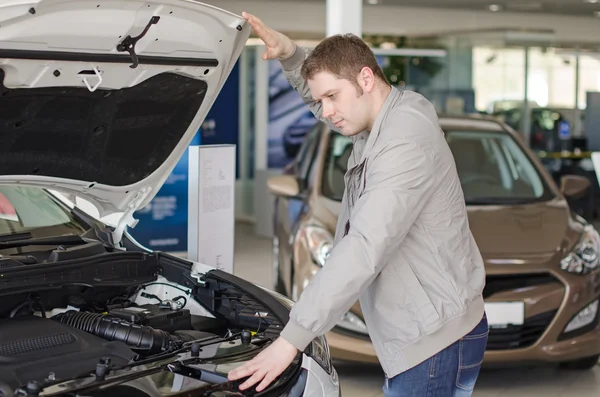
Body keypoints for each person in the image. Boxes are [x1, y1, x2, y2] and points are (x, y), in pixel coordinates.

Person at [228, 12, 488, 396]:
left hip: (432, 344)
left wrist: (290, 341)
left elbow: (365, 246)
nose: (326, 110)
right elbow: (331, 105)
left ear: (366, 79)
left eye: (332, 96)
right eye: (321, 99)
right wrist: (291, 55)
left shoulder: (403, 144)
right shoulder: (390, 111)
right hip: (434, 331)